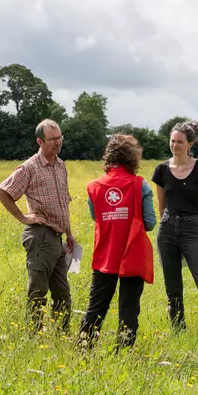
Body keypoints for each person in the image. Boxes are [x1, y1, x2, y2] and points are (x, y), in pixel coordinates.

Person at [0, 119, 76, 333]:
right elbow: (3, 191)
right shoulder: (30, 167)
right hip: (41, 235)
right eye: (52, 139)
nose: (58, 143)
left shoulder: (61, 165)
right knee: (38, 290)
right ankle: (34, 336)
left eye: (60, 138)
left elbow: (64, 202)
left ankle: (62, 335)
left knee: (62, 293)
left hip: (58, 237)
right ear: (40, 141)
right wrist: (23, 217)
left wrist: (69, 234)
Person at [79, 134, 156, 351]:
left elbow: (97, 217)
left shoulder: (93, 186)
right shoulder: (141, 185)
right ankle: (123, 354)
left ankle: (84, 350)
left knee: (96, 307)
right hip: (132, 255)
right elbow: (149, 222)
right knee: (129, 309)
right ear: (133, 158)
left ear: (109, 156)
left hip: (105, 255)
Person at [152, 120, 198, 330]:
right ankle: (178, 328)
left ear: (190, 144)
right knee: (172, 286)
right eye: (172, 141)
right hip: (167, 229)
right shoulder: (161, 170)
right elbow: (162, 205)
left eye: (180, 142)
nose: (175, 145)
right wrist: (167, 224)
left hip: (193, 227)